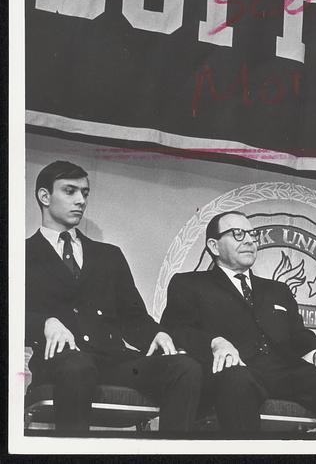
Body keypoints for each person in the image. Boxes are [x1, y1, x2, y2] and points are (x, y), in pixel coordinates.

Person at [25, 160, 203, 434]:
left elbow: (134, 318)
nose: (80, 200)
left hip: (112, 361)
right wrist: (44, 323)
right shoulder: (21, 253)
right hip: (62, 362)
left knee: (184, 367)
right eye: (70, 191)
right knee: (78, 366)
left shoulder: (109, 255)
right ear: (45, 196)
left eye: (85, 193)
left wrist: (157, 334)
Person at [160, 210, 316, 435]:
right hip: (235, 371)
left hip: (283, 372)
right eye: (237, 234)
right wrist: (214, 341)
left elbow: (299, 335)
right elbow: (175, 330)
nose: (248, 240)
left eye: (251, 234)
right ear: (214, 246)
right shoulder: (189, 284)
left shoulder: (277, 290)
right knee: (237, 380)